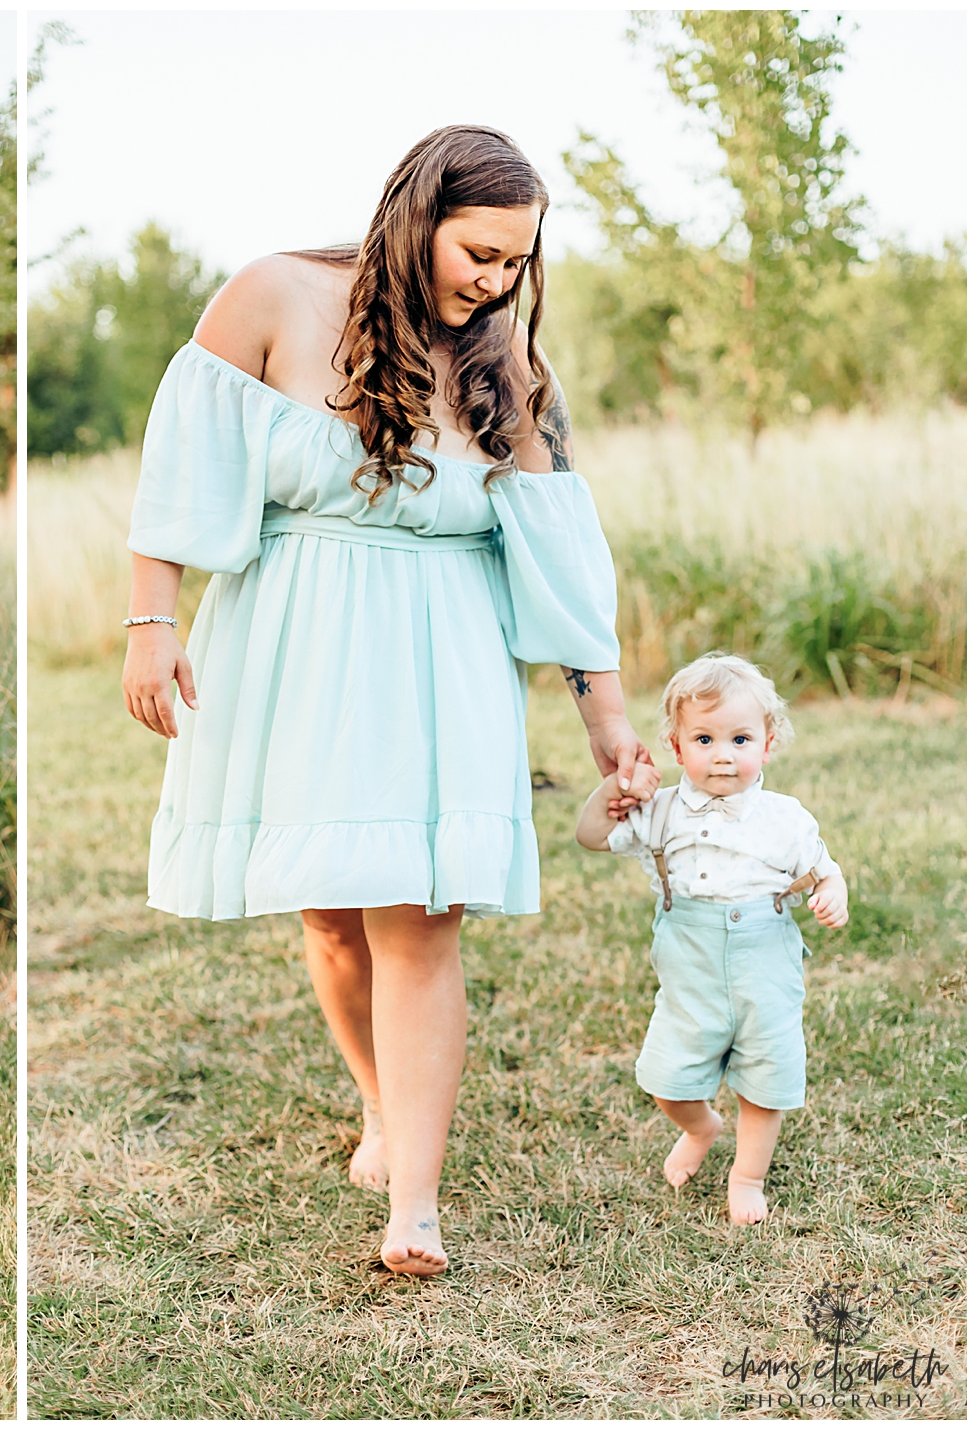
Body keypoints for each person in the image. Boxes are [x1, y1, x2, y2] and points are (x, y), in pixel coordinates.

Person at [121, 125, 655, 1276]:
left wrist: (607, 726)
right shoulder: (270, 294)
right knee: (327, 908)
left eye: (515, 263)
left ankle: (412, 1198)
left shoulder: (501, 366)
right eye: (478, 252)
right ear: (416, 213)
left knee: (418, 913)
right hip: (292, 636)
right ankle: (375, 1102)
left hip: (440, 651)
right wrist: (150, 623)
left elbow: (561, 556)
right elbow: (180, 465)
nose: (494, 281)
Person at [576, 653, 847, 1224]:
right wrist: (615, 786)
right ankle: (701, 1127)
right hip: (690, 966)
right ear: (677, 748)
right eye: (704, 738)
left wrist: (833, 893)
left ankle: (747, 1176)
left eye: (741, 739)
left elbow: (826, 869)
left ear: (767, 745)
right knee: (665, 1079)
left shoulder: (784, 818)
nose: (723, 753)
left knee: (765, 1076)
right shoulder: (662, 809)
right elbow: (591, 836)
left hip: (763, 960)